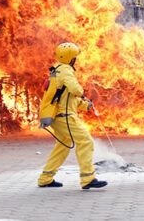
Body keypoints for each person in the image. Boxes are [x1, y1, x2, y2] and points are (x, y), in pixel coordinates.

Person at [37, 42, 107, 190]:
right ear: (70, 58)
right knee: (86, 141)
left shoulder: (56, 70)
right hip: (65, 116)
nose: (76, 60)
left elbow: (65, 96)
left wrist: (84, 105)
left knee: (63, 146)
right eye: (75, 57)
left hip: (58, 116)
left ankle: (45, 178)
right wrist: (82, 92)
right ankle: (88, 178)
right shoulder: (66, 70)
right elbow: (75, 90)